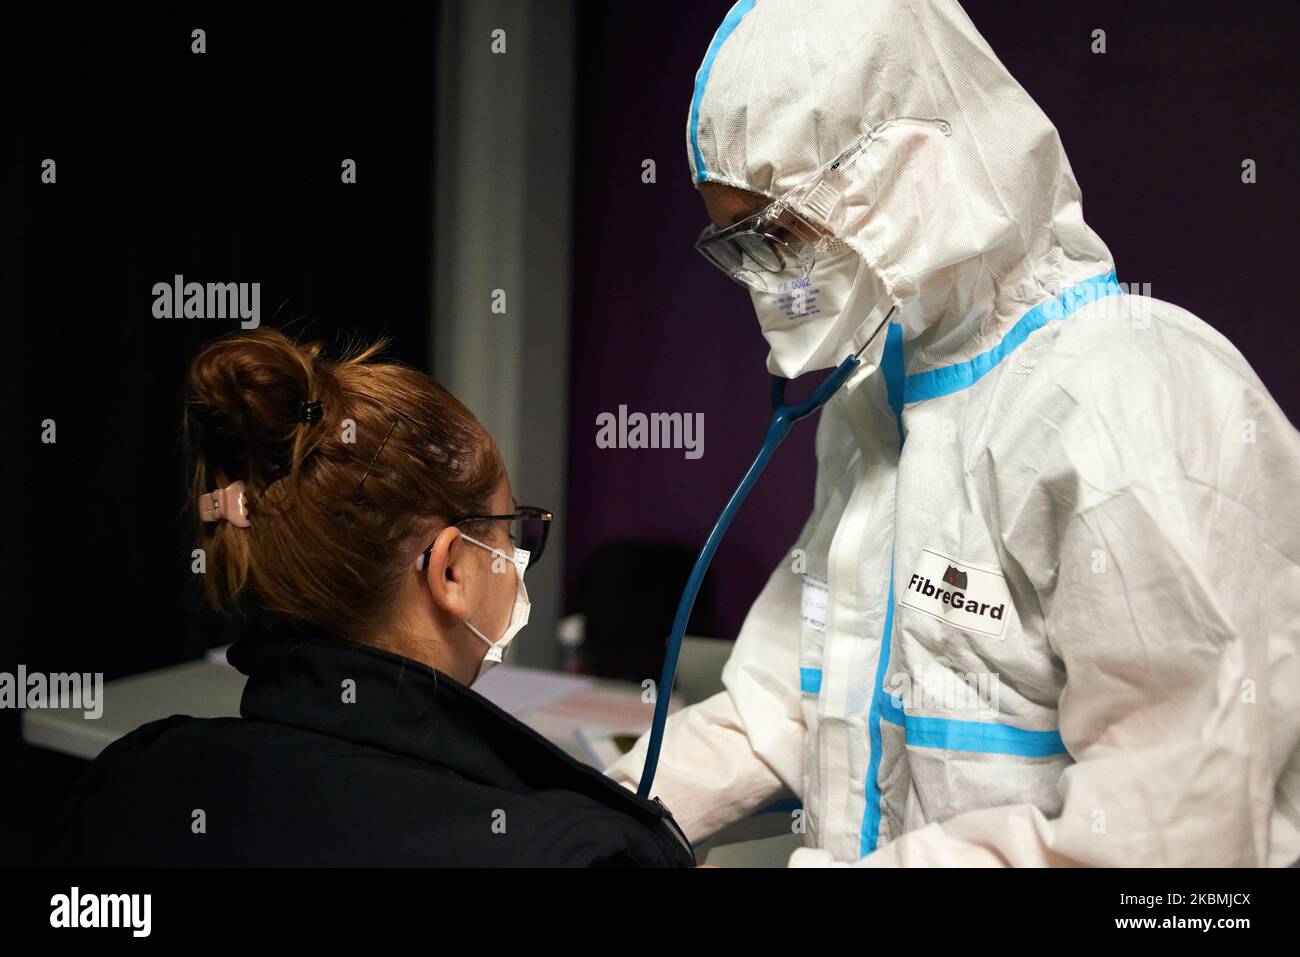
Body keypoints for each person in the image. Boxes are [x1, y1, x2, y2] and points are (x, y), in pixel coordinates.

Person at [606, 0, 1300, 866]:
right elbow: (785, 702)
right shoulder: (875, 409)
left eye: (783, 232)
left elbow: (1179, 837)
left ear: (908, 169)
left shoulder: (1131, 398)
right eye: (744, 247)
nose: (770, 283)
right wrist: (589, 821)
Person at [44, 329, 693, 867]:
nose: (520, 555)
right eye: (510, 527)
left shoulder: (128, 784)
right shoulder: (572, 851)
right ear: (451, 572)